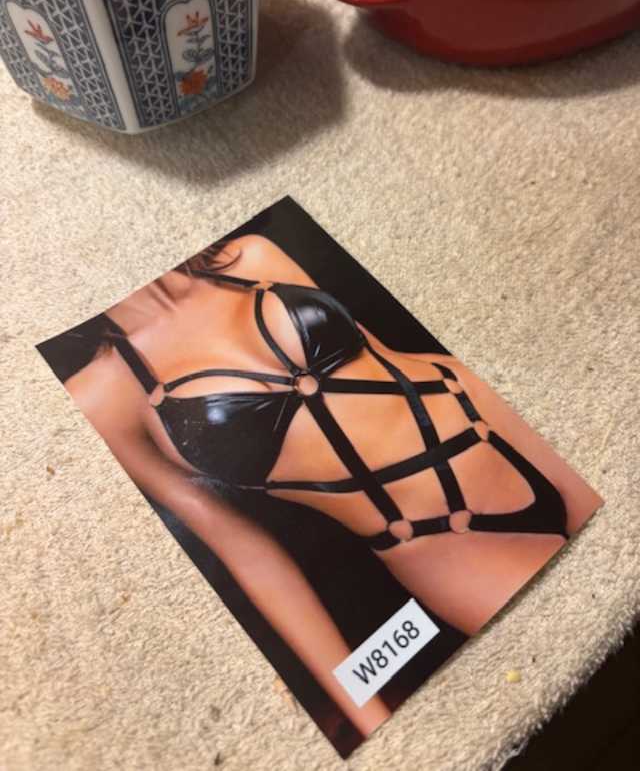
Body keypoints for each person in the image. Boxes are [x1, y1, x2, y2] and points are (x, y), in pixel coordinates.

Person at [59, 232, 601, 718]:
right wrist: (363, 708)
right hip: (441, 540)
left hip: (492, 417)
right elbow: (244, 549)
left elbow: (386, 355)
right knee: (577, 674)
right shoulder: (102, 395)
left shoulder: (254, 255)